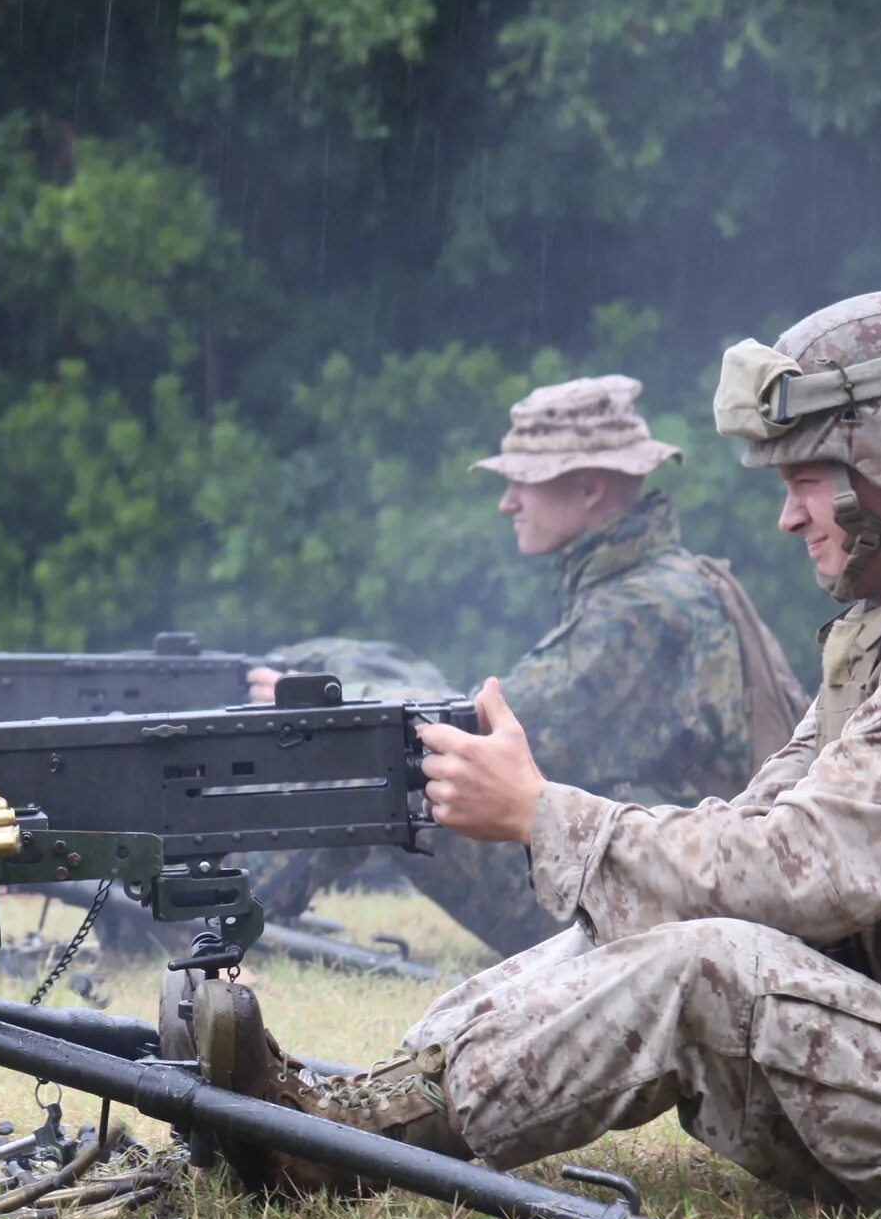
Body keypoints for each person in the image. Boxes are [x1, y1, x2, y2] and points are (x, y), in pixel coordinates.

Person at [200, 289, 881, 1219]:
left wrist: (544, 818)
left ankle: (328, 1149)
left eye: (811, 476)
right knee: (654, 909)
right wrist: (577, 834)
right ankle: (351, 1112)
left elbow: (801, 872)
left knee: (706, 959)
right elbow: (763, 829)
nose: (787, 512)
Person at [246, 375, 805, 959]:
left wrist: (336, 698)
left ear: (588, 488)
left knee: (395, 766)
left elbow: (489, 731)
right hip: (671, 882)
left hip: (671, 906)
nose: (507, 502)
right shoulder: (652, 585)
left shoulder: (643, 610)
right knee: (388, 707)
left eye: (523, 482)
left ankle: (218, 917)